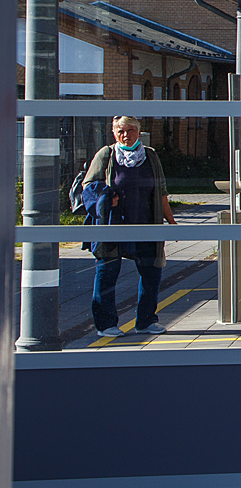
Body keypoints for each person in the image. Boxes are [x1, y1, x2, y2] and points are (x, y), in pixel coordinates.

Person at [81, 116, 177, 337]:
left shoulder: (150, 156)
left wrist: (171, 223)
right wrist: (104, 200)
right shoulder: (106, 155)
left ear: (139, 132)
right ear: (114, 133)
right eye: (121, 131)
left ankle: (146, 321)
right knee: (106, 273)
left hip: (146, 225)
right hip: (112, 227)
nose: (126, 135)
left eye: (131, 130)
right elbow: (88, 187)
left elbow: (161, 193)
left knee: (152, 272)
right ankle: (106, 324)